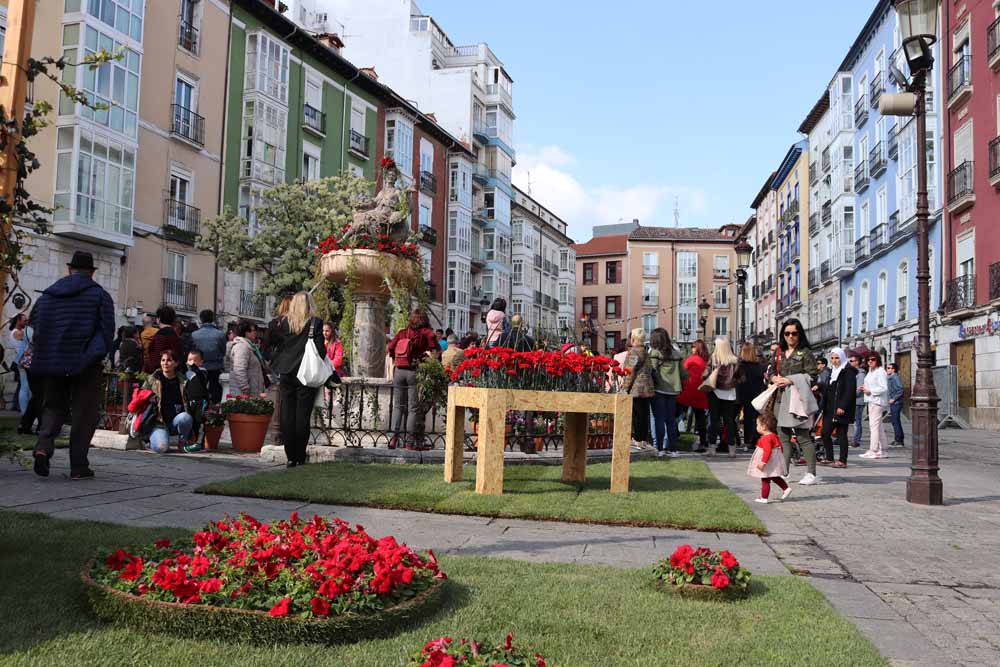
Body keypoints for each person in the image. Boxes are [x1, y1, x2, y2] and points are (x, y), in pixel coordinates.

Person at [31, 251, 115, 479]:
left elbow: (35, 325)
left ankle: (42, 447)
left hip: (52, 362)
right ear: (92, 272)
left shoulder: (47, 296)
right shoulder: (99, 296)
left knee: (53, 407)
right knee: (84, 414)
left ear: (70, 269)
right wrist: (92, 355)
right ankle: (78, 466)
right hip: (85, 364)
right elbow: (106, 332)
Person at [270, 292, 326, 467]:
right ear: (309, 304)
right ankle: (300, 456)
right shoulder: (315, 322)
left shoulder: (283, 323)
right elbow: (320, 350)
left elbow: (272, 342)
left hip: (286, 371)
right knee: (303, 415)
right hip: (306, 372)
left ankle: (290, 456)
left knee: (287, 414)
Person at [768, 318, 820, 485]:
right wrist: (773, 377)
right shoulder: (778, 353)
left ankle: (811, 473)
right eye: (787, 333)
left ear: (799, 335)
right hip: (780, 397)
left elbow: (812, 375)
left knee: (803, 435)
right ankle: (785, 471)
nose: (790, 336)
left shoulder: (805, 353)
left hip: (797, 398)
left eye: (794, 333)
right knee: (782, 434)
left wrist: (790, 380)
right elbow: (769, 371)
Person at [387, 309, 438, 450]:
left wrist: (396, 358)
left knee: (398, 406)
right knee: (413, 408)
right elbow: (435, 349)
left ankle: (394, 438)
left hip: (398, 371)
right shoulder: (426, 333)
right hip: (413, 371)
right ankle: (409, 442)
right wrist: (425, 357)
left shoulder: (402, 332)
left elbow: (390, 347)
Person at [142, 349, 195, 454]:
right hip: (158, 422)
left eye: (169, 360)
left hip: (175, 420)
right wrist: (149, 398)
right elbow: (142, 398)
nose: (165, 363)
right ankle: (151, 439)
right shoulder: (152, 379)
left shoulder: (183, 381)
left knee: (185, 417)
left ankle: (182, 441)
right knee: (162, 448)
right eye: (163, 360)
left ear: (176, 363)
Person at [648, 327, 687, 458]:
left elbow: (651, 370)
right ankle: (673, 449)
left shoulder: (654, 353)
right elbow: (684, 373)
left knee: (659, 419)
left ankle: (659, 448)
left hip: (659, 389)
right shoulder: (676, 354)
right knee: (671, 420)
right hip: (673, 390)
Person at [819, 347, 857, 469]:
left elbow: (849, 391)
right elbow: (829, 390)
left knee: (841, 434)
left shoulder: (848, 372)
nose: (835, 361)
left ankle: (842, 460)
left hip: (841, 408)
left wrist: (842, 406)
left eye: (837, 358)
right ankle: (829, 457)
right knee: (825, 433)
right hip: (830, 407)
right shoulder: (832, 372)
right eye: (833, 358)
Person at [707, 336, 741, 457]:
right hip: (730, 393)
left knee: (714, 421)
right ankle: (732, 449)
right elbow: (741, 378)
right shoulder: (735, 360)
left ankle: (712, 448)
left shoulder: (713, 359)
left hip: (715, 391)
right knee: (729, 422)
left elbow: (705, 374)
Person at [748, 412, 791, 504]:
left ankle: (764, 498)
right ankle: (786, 488)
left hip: (767, 461)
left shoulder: (766, 438)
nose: (756, 427)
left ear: (764, 426)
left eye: (757, 424)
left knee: (765, 478)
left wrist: (763, 462)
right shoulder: (774, 436)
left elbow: (767, 451)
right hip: (772, 460)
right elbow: (780, 448)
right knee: (774, 476)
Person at [622, 328, 654, 449]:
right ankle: (643, 440)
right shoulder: (646, 352)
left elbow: (630, 372)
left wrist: (625, 388)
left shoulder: (633, 352)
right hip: (647, 388)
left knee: (636, 415)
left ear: (633, 339)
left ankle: (638, 440)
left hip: (636, 389)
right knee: (644, 415)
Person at [678, 339, 710, 452]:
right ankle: (702, 443)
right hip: (701, 392)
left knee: (678, 415)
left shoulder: (691, 359)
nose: (691, 348)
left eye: (693, 346)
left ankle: (673, 439)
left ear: (696, 348)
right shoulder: (705, 361)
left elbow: (682, 371)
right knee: (701, 419)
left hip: (688, 390)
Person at [736, 342, 766, 453]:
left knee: (734, 418)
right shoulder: (759, 366)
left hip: (741, 394)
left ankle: (741, 440)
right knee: (752, 418)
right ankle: (752, 440)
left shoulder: (740, 365)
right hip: (755, 395)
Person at [191, 310, 226, 404]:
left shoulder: (194, 335)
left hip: (200, 366)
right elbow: (223, 351)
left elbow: (192, 351)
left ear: (201, 320)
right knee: (216, 392)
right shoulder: (220, 334)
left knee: (200, 391)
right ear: (212, 319)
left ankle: (201, 410)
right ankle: (215, 411)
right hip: (216, 366)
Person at [860, 352, 890, 459]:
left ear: (877, 360)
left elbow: (884, 387)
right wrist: (864, 388)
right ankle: (884, 450)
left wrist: (870, 391)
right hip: (871, 400)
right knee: (879, 426)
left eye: (872, 359)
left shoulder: (880, 371)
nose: (870, 362)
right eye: (868, 360)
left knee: (873, 426)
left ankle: (874, 449)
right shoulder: (871, 371)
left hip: (877, 401)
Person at [181, 350, 211, 453]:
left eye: (195, 361)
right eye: (189, 360)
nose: (191, 362)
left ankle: (200, 444)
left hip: (201, 402)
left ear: (201, 362)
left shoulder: (202, 372)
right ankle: (191, 441)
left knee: (200, 422)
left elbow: (199, 377)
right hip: (190, 402)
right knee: (192, 423)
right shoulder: (188, 373)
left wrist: (193, 367)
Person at [228, 320, 267, 398]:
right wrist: (245, 388)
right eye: (252, 330)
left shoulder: (252, 347)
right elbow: (239, 369)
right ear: (244, 332)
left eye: (255, 330)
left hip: (252, 390)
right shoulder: (241, 346)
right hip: (244, 393)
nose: (255, 332)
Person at [144, 306, 182, 374]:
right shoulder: (175, 334)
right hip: (173, 371)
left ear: (159, 318)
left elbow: (157, 355)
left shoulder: (161, 334)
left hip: (161, 372)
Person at [9, 313, 30, 415]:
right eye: (24, 320)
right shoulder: (17, 333)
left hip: (21, 361)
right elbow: (31, 337)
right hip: (22, 361)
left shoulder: (20, 331)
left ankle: (15, 405)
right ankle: (19, 407)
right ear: (18, 321)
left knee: (22, 385)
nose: (26, 322)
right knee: (24, 386)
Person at [886, 363, 905, 448]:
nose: (887, 369)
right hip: (894, 403)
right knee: (894, 421)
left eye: (889, 368)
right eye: (887, 368)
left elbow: (900, 389)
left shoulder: (895, 377)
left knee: (896, 421)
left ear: (893, 369)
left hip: (896, 403)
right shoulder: (890, 377)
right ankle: (897, 439)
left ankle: (899, 441)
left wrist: (894, 398)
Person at [850, 354, 867, 447]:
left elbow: (860, 388)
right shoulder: (854, 373)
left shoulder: (860, 374)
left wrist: (851, 395)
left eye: (852, 361)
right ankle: (855, 439)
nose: (850, 363)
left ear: (857, 362)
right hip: (854, 400)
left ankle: (856, 440)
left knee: (857, 422)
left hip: (858, 401)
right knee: (855, 421)